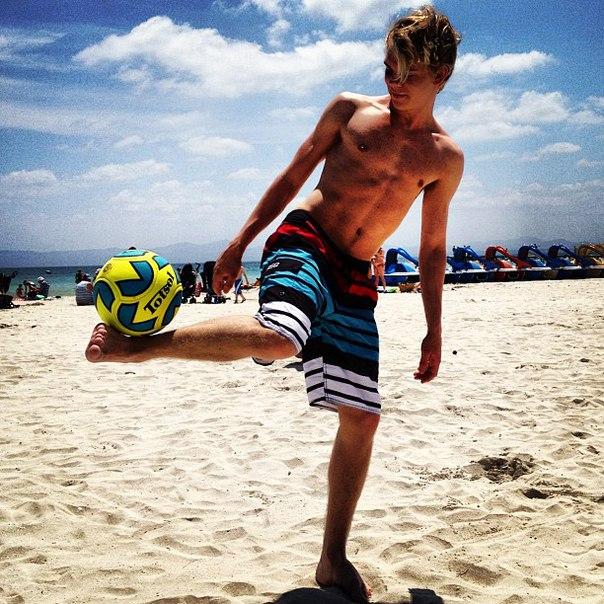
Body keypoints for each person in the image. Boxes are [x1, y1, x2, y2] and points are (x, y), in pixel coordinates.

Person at [85, 6, 463, 601]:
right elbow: (292, 177)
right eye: (388, 68)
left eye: (408, 74)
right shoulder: (350, 112)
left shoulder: (444, 158)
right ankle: (138, 347)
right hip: (305, 240)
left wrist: (433, 329)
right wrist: (240, 242)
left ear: (440, 75)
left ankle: (331, 560)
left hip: (355, 276)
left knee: (362, 417)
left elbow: (433, 247)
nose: (394, 82)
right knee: (281, 337)